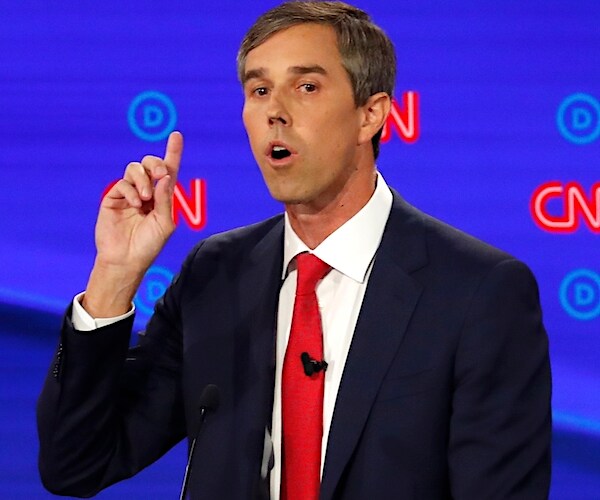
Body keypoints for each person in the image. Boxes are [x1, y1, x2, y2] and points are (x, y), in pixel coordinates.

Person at [37, 1, 552, 499]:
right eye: (259, 90)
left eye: (306, 87)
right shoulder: (215, 274)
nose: (274, 113)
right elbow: (76, 465)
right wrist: (114, 273)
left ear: (371, 114)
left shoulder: (477, 292)